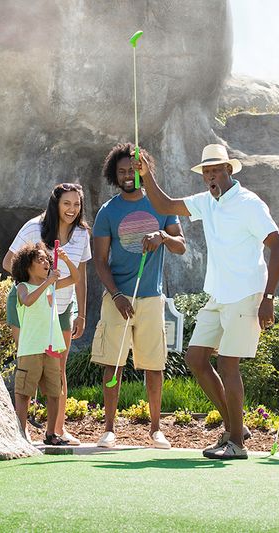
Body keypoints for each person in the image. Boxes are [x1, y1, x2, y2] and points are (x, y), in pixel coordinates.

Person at [137, 144, 279, 460]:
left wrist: (268, 298)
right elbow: (165, 204)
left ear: (229, 170)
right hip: (218, 295)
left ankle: (237, 444)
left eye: (216, 170)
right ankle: (235, 428)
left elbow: (278, 247)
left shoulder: (249, 204)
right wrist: (146, 175)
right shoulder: (207, 202)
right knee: (196, 358)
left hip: (246, 294)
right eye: (207, 172)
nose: (211, 176)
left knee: (227, 364)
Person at [90, 142, 186, 450]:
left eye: (132, 170)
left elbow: (181, 245)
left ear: (143, 170)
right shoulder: (108, 211)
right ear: (114, 174)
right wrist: (116, 295)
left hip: (151, 298)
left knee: (154, 365)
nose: (127, 176)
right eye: (121, 171)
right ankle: (109, 429)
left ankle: (156, 430)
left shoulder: (161, 205)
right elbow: (100, 261)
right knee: (113, 364)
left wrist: (163, 236)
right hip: (117, 299)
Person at [2, 183, 91, 445]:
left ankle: (56, 430)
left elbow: (80, 276)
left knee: (57, 369)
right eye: (66, 203)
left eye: (77, 204)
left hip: (61, 307)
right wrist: (35, 285)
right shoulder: (34, 228)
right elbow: (8, 262)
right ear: (56, 204)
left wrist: (81, 314)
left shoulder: (82, 234)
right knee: (28, 365)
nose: (72, 209)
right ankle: (21, 432)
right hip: (29, 312)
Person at [11, 241, 80, 445]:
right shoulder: (22, 286)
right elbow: (28, 300)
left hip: (51, 347)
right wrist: (48, 282)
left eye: (47, 259)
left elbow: (75, 278)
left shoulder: (51, 285)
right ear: (27, 265)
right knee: (24, 393)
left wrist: (66, 260)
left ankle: (51, 434)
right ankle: (21, 434)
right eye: (39, 259)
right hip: (31, 348)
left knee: (54, 392)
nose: (46, 263)